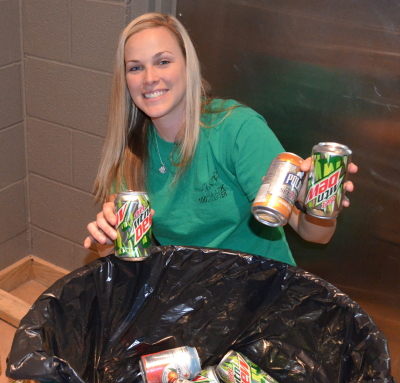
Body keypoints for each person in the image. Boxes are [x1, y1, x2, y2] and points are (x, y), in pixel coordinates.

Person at [84, 13, 357, 265]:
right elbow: (120, 253)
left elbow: (315, 235)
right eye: (135, 68)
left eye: (163, 62)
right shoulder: (132, 152)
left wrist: (316, 202)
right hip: (190, 293)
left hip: (262, 292)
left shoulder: (237, 129)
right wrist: (107, 240)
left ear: (188, 66)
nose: (150, 78)